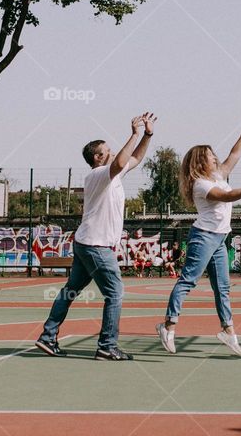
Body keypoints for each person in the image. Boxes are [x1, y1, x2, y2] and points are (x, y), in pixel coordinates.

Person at [35, 112, 156, 361]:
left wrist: (147, 134)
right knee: (115, 293)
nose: (112, 152)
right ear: (98, 157)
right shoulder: (98, 174)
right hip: (96, 245)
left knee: (70, 291)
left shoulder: (111, 175)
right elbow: (121, 162)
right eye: (107, 150)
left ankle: (47, 337)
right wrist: (133, 134)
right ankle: (107, 346)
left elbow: (134, 159)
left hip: (86, 243)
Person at [157, 115, 241, 356]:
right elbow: (226, 196)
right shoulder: (201, 185)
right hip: (204, 237)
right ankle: (168, 326)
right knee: (188, 281)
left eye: (214, 154)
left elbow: (234, 156)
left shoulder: (218, 175)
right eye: (210, 155)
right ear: (200, 161)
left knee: (222, 287)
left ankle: (228, 331)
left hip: (219, 238)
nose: (215, 157)